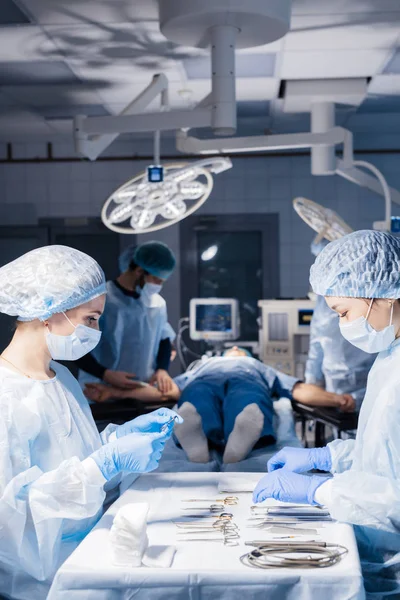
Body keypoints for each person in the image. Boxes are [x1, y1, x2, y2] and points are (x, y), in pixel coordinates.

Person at [0, 245, 182, 600]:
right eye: (91, 319)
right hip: (37, 579)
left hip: (85, 551)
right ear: (49, 310)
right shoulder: (6, 396)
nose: (95, 331)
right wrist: (104, 463)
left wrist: (115, 442)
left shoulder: (62, 377)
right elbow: (12, 517)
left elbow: (76, 455)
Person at [253, 230, 400, 599]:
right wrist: (329, 456)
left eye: (344, 313)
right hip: (379, 545)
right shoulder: (388, 358)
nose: (343, 325)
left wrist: (321, 489)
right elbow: (384, 456)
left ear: (382, 294)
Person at [87, 346, 355, 464]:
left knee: (216, 398)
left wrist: (335, 399)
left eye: (239, 350)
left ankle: (206, 429)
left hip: (228, 380)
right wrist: (114, 393)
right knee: (224, 399)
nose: (235, 349)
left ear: (246, 354)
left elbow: (299, 391)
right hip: (224, 380)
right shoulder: (210, 366)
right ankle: (211, 431)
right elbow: (162, 393)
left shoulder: (251, 365)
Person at [77, 241, 177, 396]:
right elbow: (76, 345)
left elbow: (164, 339)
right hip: (99, 390)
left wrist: (162, 369)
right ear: (139, 271)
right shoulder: (103, 301)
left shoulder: (156, 304)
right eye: (157, 280)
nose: (159, 286)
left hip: (141, 390)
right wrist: (105, 374)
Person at [305, 240, 376, 409]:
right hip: (335, 382)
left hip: (367, 380)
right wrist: (312, 386)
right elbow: (317, 341)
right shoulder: (325, 297)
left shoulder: (366, 294)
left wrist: (356, 399)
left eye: (343, 313)